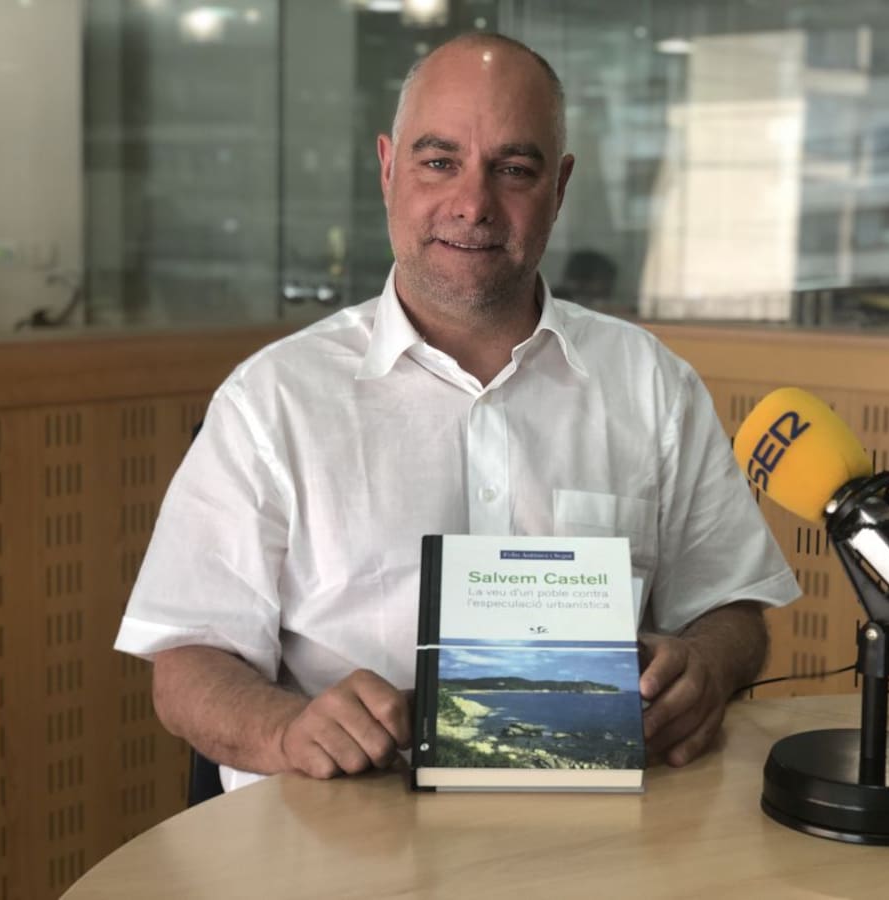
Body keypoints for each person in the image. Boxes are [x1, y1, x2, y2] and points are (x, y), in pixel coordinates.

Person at [114, 33, 799, 792]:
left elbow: (732, 609)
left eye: (514, 169)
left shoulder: (652, 386)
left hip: (596, 828)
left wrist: (706, 664)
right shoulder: (272, 401)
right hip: (341, 830)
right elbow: (186, 663)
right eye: (439, 162)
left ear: (560, 187)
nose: (473, 204)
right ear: (387, 169)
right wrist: (287, 729)